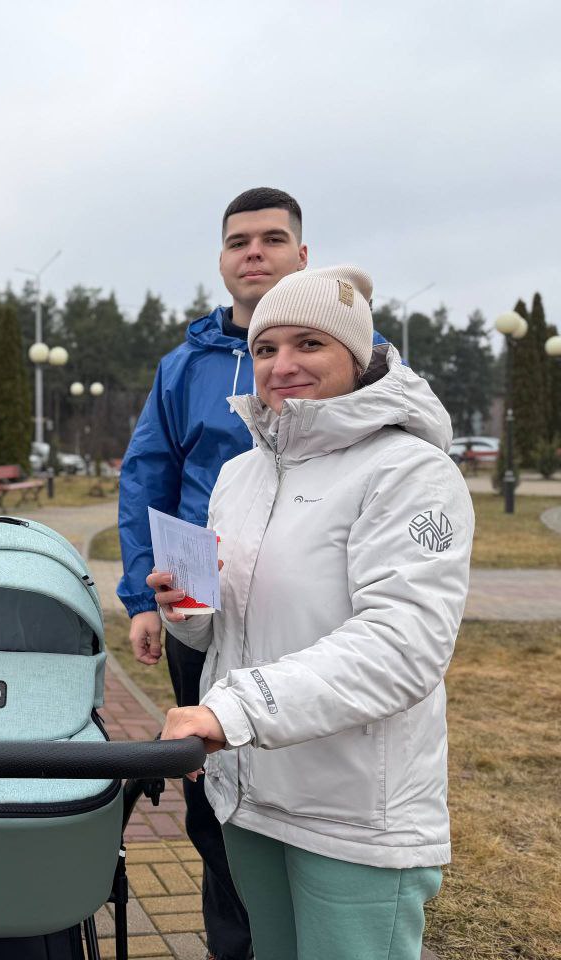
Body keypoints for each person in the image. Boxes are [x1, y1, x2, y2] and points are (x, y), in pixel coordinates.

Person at [154, 266, 471, 959]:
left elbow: (401, 647)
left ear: (355, 357)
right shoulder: (241, 474)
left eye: (309, 344)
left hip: (353, 816)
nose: (283, 364)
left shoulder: (408, 471)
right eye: (266, 349)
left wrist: (232, 711)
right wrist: (189, 610)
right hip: (252, 797)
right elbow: (232, 629)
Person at [117, 186, 314, 958]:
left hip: (308, 604)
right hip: (200, 602)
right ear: (223, 259)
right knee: (211, 785)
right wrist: (142, 595)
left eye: (272, 239)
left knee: (301, 768)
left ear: (303, 255)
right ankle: (236, 942)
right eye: (239, 242)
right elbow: (148, 476)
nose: (254, 253)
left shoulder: (348, 350)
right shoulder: (185, 366)